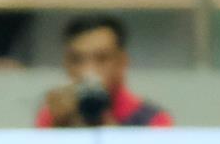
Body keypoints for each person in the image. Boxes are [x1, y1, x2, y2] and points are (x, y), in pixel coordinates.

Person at [37, 15, 173, 126]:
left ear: (122, 62)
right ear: (66, 64)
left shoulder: (153, 121)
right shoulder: (54, 116)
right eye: (77, 60)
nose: (88, 70)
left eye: (102, 58)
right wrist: (58, 126)